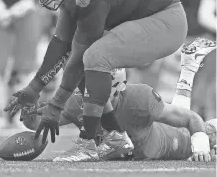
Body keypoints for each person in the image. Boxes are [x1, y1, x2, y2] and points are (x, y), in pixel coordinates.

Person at [4, 0, 188, 162]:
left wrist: (55, 106)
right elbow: (61, 42)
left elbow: (81, 58)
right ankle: (115, 137)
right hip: (143, 18)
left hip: (166, 20)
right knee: (86, 56)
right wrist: (34, 87)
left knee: (93, 56)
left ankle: (88, 142)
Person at [24, 40, 216, 162]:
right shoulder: (77, 103)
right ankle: (189, 67)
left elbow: (190, 118)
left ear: (115, 89)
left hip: (171, 143)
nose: (92, 97)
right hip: (143, 143)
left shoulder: (139, 98)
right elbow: (35, 124)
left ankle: (189, 69)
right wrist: (27, 109)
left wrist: (200, 148)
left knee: (204, 134)